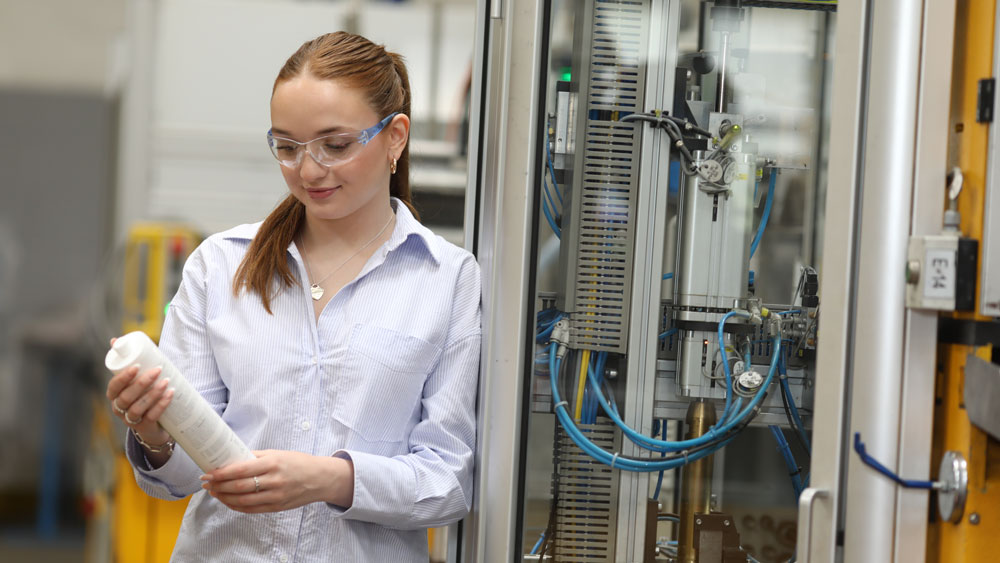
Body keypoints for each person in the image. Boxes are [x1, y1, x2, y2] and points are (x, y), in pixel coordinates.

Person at [104, 31, 481, 561]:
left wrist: (331, 479)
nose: (308, 170)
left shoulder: (446, 279)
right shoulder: (220, 266)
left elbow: (448, 482)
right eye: (287, 147)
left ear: (395, 137)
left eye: (336, 145)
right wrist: (154, 431)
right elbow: (178, 480)